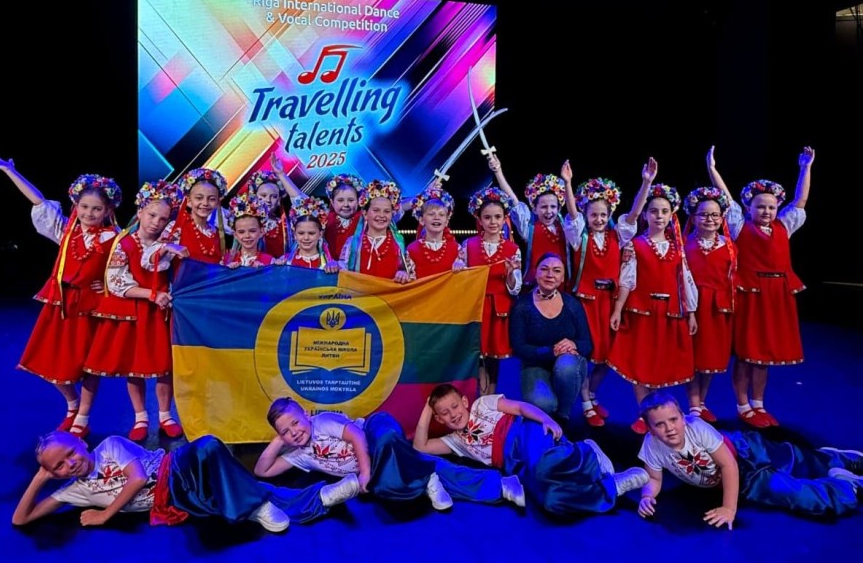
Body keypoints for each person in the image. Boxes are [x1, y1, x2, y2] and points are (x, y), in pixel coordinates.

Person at [0, 153, 121, 435]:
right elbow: (38, 201)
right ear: (75, 205)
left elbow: (126, 267)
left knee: (89, 366)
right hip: (61, 304)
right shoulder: (65, 231)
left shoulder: (113, 238)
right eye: (84, 206)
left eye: (96, 209)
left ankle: (83, 418)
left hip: (91, 308)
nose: (89, 213)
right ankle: (72, 404)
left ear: (108, 210)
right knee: (48, 360)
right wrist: (10, 171)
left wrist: (108, 285)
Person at [12, 430, 360, 531]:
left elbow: (137, 479)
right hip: (176, 502)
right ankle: (321, 498)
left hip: (174, 469)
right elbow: (21, 519)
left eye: (69, 454)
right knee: (235, 489)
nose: (69, 465)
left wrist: (105, 515)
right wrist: (39, 479)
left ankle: (256, 508)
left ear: (81, 443)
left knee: (207, 446)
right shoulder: (74, 491)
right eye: (58, 467)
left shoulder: (109, 447)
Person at [414, 384, 649, 517]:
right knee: (551, 502)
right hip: (515, 465)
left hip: (525, 435)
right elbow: (420, 446)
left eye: (455, 406)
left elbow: (519, 407)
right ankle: (611, 486)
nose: (453, 414)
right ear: (439, 419)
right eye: (444, 413)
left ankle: (587, 454)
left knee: (545, 465)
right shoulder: (455, 441)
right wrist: (427, 408)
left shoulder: (481, 404)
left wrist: (546, 419)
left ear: (464, 402)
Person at [636, 390, 862, 527]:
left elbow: (728, 465)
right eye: (660, 424)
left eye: (674, 420)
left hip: (744, 452)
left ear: (683, 417)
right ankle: (847, 487)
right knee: (788, 492)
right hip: (745, 479)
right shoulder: (651, 446)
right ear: (650, 429)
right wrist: (647, 496)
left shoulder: (697, 428)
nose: (670, 428)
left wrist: (728, 508)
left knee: (795, 459)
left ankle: (836, 459)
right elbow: (654, 478)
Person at [255, 398, 526, 510]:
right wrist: (279, 440)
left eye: (295, 422)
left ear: (306, 414)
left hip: (375, 431)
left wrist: (364, 473)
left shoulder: (321, 422)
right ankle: (501, 485)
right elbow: (262, 471)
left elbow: (356, 435)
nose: (294, 432)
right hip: (377, 464)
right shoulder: (298, 454)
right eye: (286, 431)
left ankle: (496, 485)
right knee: (419, 469)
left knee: (388, 442)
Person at [706, 145, 814, 428]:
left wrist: (805, 168)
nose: (766, 211)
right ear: (748, 208)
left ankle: (759, 404)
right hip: (750, 296)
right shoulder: (740, 226)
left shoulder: (784, 227)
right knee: (746, 353)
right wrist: (712, 169)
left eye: (771, 207)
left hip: (776, 297)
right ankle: (743, 405)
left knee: (763, 356)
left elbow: (801, 200)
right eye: (760, 206)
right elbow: (725, 197)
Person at [84, 181, 189, 441]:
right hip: (136, 311)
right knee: (135, 367)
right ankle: (140, 416)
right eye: (152, 215)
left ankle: (165, 415)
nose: (156, 222)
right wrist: (151, 294)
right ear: (140, 211)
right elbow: (117, 281)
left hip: (161, 312)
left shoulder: (169, 242)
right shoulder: (125, 243)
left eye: (162, 218)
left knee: (165, 366)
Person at [560, 158, 655, 426]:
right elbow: (573, 216)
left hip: (610, 304)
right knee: (584, 354)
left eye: (603, 214)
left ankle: (591, 394)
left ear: (610, 213)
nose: (599, 219)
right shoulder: (579, 237)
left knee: (607, 357)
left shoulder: (618, 236)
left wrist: (646, 183)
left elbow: (634, 214)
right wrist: (568, 183)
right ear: (586, 214)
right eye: (594, 215)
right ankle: (586, 404)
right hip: (585, 304)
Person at [606, 179, 699, 434]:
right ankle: (643, 412)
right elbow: (627, 280)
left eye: (664, 211)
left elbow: (685, 281)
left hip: (669, 314)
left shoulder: (678, 248)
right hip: (642, 313)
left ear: (671, 215)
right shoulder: (635, 245)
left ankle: (656, 412)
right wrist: (618, 309)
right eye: (654, 211)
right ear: (645, 214)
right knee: (641, 363)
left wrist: (691, 313)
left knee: (659, 364)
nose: (659, 216)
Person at [508, 252, 593, 428]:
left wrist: (574, 344)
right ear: (535, 273)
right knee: (543, 405)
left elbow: (587, 344)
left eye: (556, 271)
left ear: (562, 278)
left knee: (567, 366)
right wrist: (551, 351)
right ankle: (549, 405)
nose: (550, 275)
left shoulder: (572, 304)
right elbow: (518, 347)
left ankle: (563, 415)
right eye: (544, 269)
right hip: (534, 365)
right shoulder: (522, 305)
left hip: (567, 364)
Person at [459, 187, 522, 394]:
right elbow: (460, 280)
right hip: (475, 308)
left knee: (494, 356)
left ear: (505, 218)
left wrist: (511, 274)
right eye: (487, 217)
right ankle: (479, 395)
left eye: (497, 217)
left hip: (499, 311)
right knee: (478, 355)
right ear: (479, 219)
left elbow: (515, 288)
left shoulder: (513, 249)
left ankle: (490, 397)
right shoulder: (468, 245)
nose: (493, 222)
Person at [682, 184, 736, 423]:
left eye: (715, 214)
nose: (710, 219)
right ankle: (694, 404)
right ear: (693, 217)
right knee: (693, 358)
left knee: (710, 359)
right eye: (703, 214)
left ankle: (702, 402)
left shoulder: (730, 246)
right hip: (692, 306)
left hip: (717, 309)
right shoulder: (683, 244)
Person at [489, 155, 571, 292]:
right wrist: (498, 172)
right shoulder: (529, 229)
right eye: (544, 207)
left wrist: (568, 182)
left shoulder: (566, 228)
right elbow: (514, 202)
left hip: (561, 289)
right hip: (534, 290)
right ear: (534, 208)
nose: (549, 211)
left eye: (553, 207)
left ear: (559, 208)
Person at [337, 179, 412, 282]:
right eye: (376, 210)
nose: (381, 215)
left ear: (392, 214)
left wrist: (403, 273)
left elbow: (409, 271)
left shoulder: (398, 243)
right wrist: (333, 265)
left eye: (387, 211)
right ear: (365, 214)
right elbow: (342, 274)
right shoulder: (353, 243)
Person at [161, 167, 227, 265]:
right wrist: (167, 248)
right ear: (188, 200)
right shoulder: (177, 227)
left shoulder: (215, 232)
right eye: (199, 198)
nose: (205, 203)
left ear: (218, 202)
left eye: (212, 199)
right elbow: (154, 258)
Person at [405, 188, 465, 278]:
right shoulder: (412, 249)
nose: (437, 217)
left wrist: (461, 267)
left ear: (446, 221)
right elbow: (410, 280)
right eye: (431, 214)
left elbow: (464, 280)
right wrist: (403, 274)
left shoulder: (456, 248)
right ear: (421, 220)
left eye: (441, 214)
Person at [274, 196, 339, 272]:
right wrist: (278, 267)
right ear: (295, 234)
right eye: (301, 233)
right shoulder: (285, 261)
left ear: (320, 234)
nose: (306, 238)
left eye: (311, 233)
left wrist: (334, 269)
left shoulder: (329, 263)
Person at [222, 193, 275, 268]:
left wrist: (263, 271)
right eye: (241, 232)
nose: (247, 236)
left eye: (252, 231)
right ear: (235, 234)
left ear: (261, 232)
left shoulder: (270, 261)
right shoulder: (225, 260)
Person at [251, 162, 292, 258]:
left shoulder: (285, 226)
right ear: (254, 196)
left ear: (279, 200)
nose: (268, 200)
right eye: (263, 195)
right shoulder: (246, 223)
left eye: (273, 196)